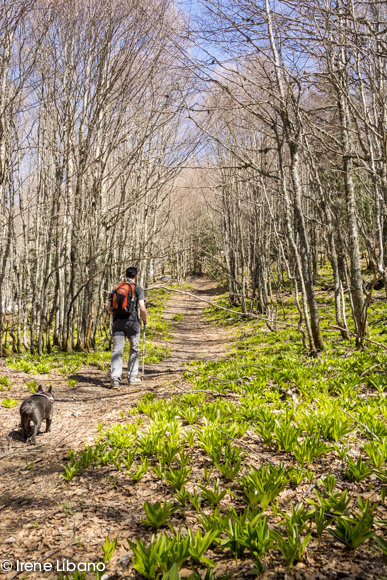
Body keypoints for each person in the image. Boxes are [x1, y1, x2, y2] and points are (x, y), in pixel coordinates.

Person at [107, 266, 147, 389]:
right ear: (136, 276)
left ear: (125, 275)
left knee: (117, 351)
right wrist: (145, 320)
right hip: (133, 323)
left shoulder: (116, 288)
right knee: (134, 349)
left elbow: (109, 309)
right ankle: (131, 378)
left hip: (118, 323)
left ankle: (115, 380)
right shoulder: (138, 289)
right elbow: (142, 307)